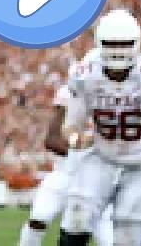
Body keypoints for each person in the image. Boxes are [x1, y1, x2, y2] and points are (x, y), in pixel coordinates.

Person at [57, 9, 141, 246]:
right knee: (76, 220)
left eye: (124, 43)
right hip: (101, 157)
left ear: (136, 44)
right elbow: (71, 124)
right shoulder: (86, 75)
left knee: (129, 237)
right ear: (100, 44)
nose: (118, 50)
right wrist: (75, 139)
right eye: (112, 44)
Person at [18, 84, 114, 246]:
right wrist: (77, 145)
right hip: (64, 173)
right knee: (39, 218)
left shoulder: (115, 99)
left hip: (97, 180)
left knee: (108, 239)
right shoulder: (70, 95)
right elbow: (51, 141)